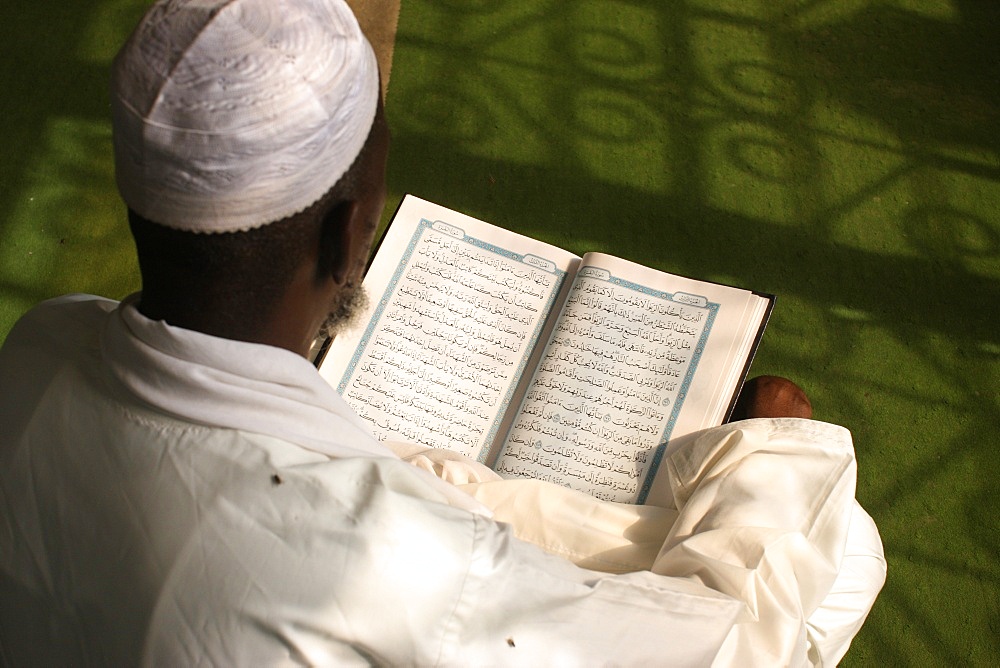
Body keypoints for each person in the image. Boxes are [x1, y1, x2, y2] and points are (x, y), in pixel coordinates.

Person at [0, 0, 885, 664]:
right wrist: (781, 447)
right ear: (352, 231)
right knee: (839, 561)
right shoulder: (391, 559)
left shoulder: (41, 346)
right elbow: (724, 650)